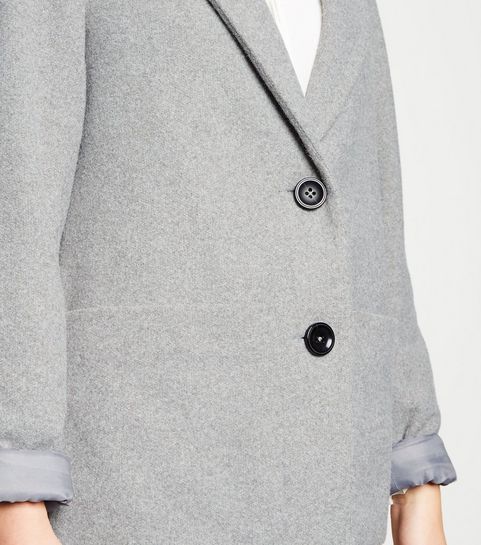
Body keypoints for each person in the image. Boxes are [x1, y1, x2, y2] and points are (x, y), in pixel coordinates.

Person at [0, 1, 457, 544]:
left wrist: (414, 476)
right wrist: (16, 493)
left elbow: (375, 220)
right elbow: (17, 210)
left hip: (334, 483)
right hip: (137, 478)